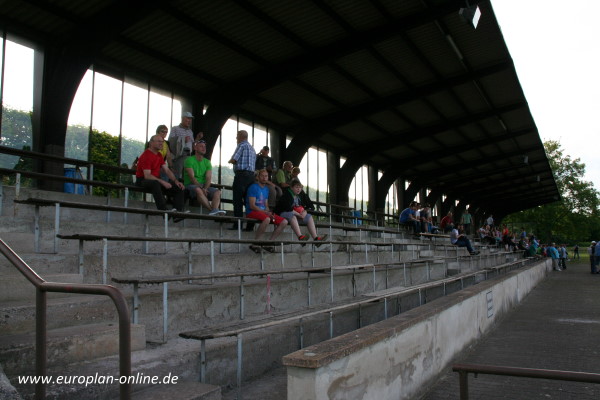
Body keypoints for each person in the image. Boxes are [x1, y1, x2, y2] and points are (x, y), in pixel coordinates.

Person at [135, 134, 186, 219]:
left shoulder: (159, 155)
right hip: (142, 180)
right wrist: (162, 181)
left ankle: (178, 213)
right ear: (151, 143)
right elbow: (147, 176)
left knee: (178, 187)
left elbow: (167, 170)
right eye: (159, 141)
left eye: (162, 142)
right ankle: (163, 211)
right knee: (155, 183)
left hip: (155, 181)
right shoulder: (146, 156)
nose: (161, 143)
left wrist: (176, 181)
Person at [246, 169, 288, 253]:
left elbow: (266, 205)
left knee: (284, 222)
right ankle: (255, 243)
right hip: (251, 211)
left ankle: (269, 243)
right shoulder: (253, 187)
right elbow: (252, 205)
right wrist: (265, 213)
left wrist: (268, 212)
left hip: (263, 212)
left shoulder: (266, 189)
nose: (264, 178)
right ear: (258, 177)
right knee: (267, 219)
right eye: (262, 176)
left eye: (266, 176)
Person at [275, 179, 327, 246]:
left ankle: (316, 238)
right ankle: (300, 237)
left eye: (300, 187)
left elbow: (309, 206)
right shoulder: (287, 194)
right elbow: (287, 208)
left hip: (296, 214)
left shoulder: (301, 195)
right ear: (291, 187)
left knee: (309, 217)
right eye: (296, 187)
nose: (298, 189)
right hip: (284, 213)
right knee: (292, 215)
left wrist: (305, 212)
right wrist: (299, 215)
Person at [184, 140, 226, 216]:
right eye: (201, 146)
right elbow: (192, 178)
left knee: (217, 192)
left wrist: (205, 188)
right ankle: (212, 210)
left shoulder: (207, 162)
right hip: (190, 185)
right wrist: (202, 188)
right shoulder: (189, 160)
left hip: (203, 186)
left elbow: (208, 177)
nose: (203, 148)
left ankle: (215, 209)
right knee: (198, 190)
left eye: (204, 146)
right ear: (195, 148)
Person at [228, 130, 256, 230]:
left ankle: (238, 225)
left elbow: (234, 159)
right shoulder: (252, 149)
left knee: (237, 200)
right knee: (249, 202)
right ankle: (250, 226)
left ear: (240, 136)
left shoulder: (241, 146)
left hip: (241, 176)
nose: (236, 139)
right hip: (251, 177)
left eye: (237, 136)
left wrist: (230, 160)